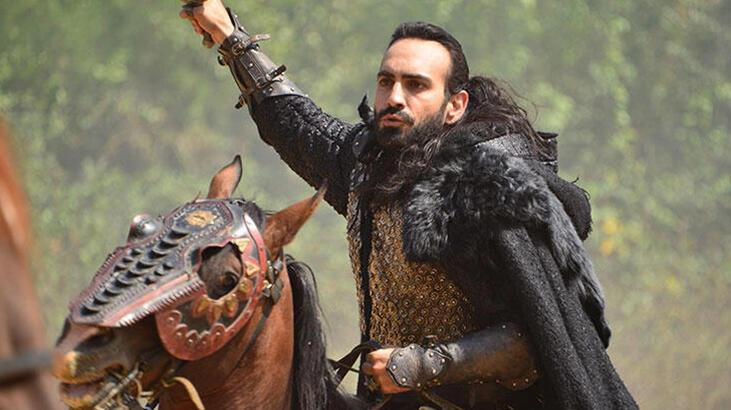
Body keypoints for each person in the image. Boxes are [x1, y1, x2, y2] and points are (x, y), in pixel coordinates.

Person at [180, 2, 637, 408]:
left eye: (416, 85)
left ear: (455, 105)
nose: (395, 98)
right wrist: (228, 34)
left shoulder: (487, 189)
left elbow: (540, 338)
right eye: (387, 81)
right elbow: (298, 124)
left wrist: (419, 364)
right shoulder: (366, 166)